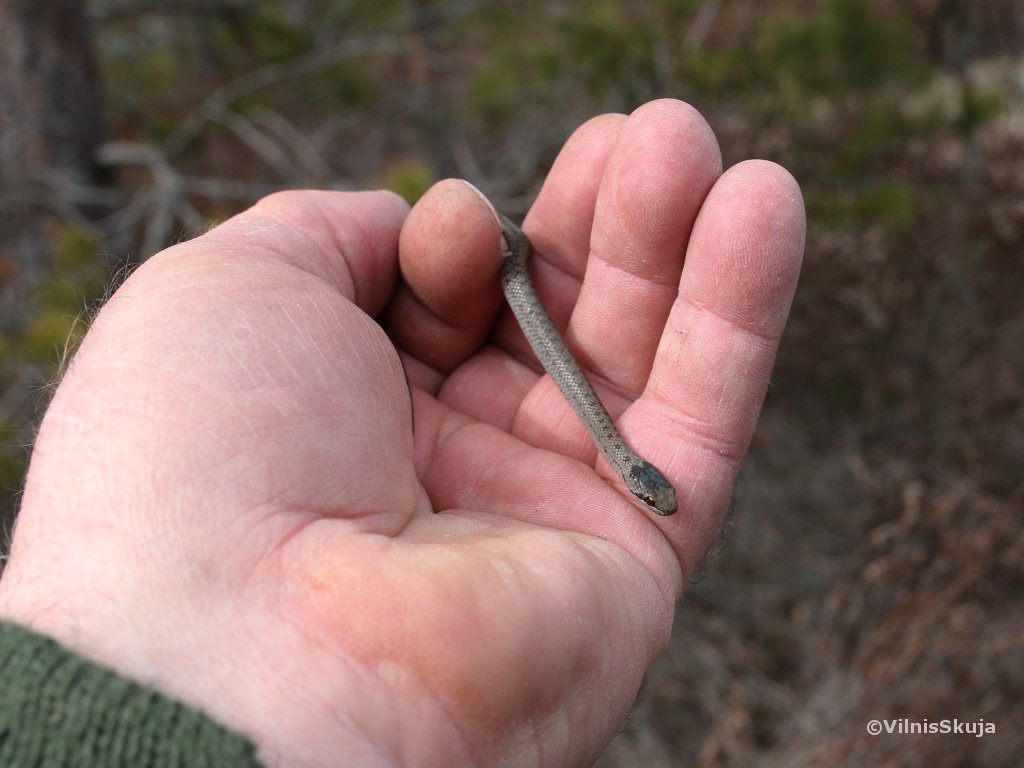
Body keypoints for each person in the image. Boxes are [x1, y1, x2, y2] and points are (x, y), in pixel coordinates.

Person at [0, 99, 804, 767]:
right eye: (650, 493)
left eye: (649, 497)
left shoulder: (625, 465)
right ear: (637, 477)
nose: (655, 501)